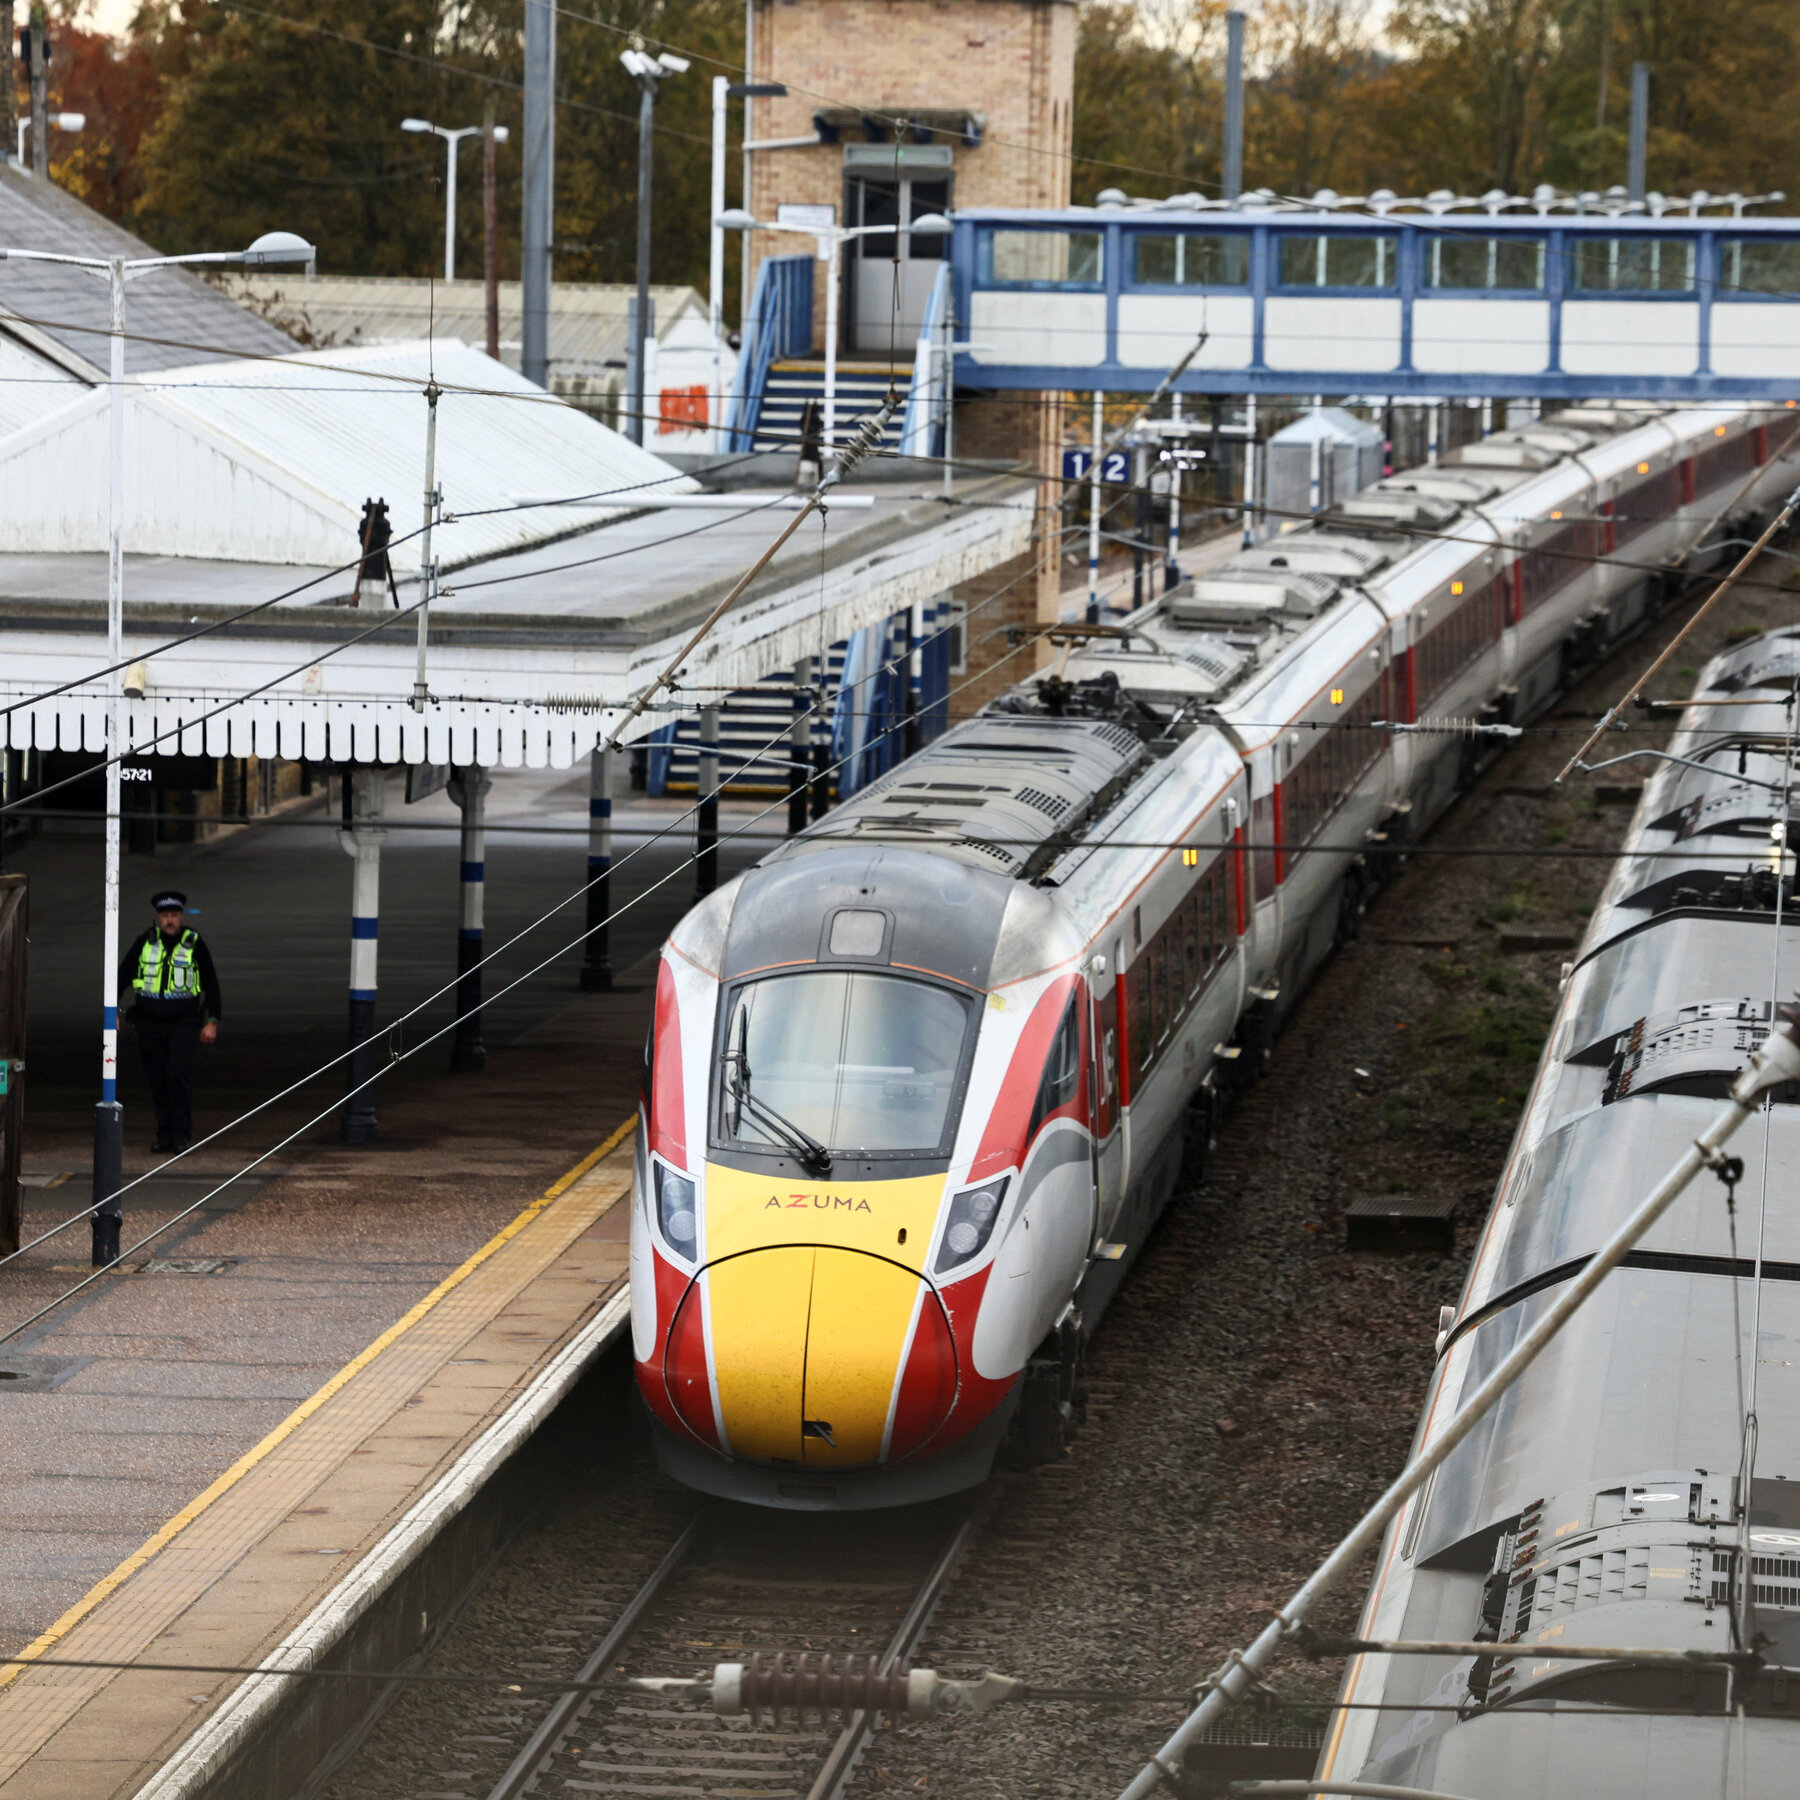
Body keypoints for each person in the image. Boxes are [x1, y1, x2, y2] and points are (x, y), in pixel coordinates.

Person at [120, 890, 221, 1154]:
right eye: (165, 915)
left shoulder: (194, 942)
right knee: (157, 1079)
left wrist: (212, 1020)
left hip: (183, 1023)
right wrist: (110, 1014)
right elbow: (122, 976)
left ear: (182, 917)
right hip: (149, 1024)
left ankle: (180, 1135)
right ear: (158, 917)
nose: (170, 920)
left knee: (177, 1075)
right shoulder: (145, 942)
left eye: (174, 915)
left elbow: (211, 983)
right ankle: (164, 1135)